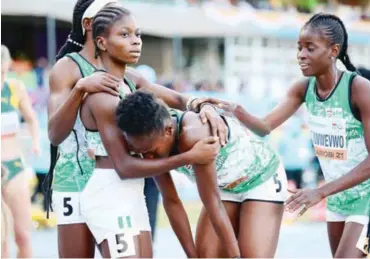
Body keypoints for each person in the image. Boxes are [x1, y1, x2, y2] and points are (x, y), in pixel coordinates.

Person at [47, 2, 227, 257]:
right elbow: (54, 134)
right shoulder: (69, 68)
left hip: (121, 178)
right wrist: (80, 89)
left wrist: (202, 104)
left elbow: (175, 98)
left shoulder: (127, 75)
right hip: (75, 179)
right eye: (122, 30)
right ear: (91, 27)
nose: (134, 39)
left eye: (135, 32)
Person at [192, 13, 370, 258]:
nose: (301, 55)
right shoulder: (303, 88)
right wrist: (235, 110)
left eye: (310, 48)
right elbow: (264, 126)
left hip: (366, 198)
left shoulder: (359, 89)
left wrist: (320, 191)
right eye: (299, 48)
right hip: (338, 200)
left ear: (333, 51)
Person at [116, 91, 289, 258]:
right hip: (224, 187)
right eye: (140, 153)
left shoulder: (194, 135)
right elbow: (172, 202)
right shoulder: (151, 140)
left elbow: (213, 202)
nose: (148, 158)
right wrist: (192, 256)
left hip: (261, 178)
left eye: (150, 151)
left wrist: (235, 256)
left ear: (168, 131)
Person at [1, 44, 40, 258]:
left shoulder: (14, 88)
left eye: (4, 71)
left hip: (13, 164)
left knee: (22, 235)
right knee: (1, 239)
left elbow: (32, 119)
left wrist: (35, 142)